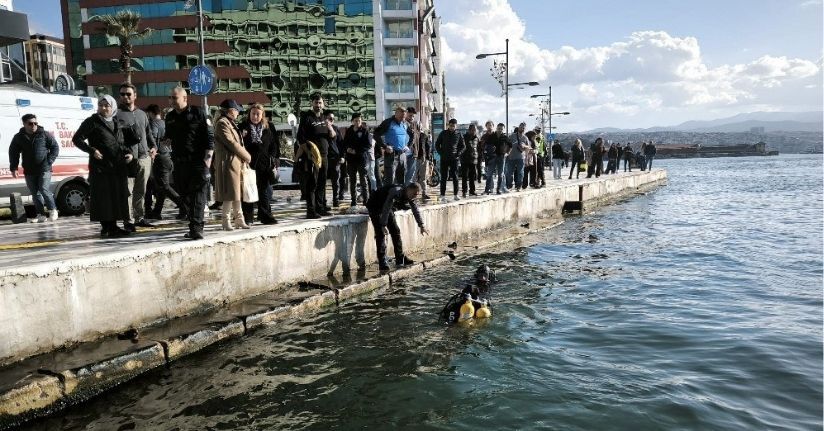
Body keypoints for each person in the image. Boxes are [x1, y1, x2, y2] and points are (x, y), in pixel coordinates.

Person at [73, 95, 133, 238]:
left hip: (116, 166)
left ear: (113, 107)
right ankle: (107, 227)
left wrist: (129, 153)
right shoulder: (92, 122)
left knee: (115, 197)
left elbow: (121, 143)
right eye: (101, 105)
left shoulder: (116, 122)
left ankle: (112, 227)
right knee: (103, 198)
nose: (104, 108)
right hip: (100, 167)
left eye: (107, 105)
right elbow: (77, 139)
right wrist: (92, 150)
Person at [164, 86, 214, 240]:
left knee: (198, 195)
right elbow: (168, 137)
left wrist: (208, 160)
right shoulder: (170, 117)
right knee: (184, 195)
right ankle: (194, 223)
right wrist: (165, 142)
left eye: (175, 98)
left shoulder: (198, 113)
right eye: (170, 98)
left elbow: (209, 137)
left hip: (198, 162)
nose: (171, 100)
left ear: (185, 98)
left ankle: (196, 228)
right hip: (179, 163)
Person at [116, 82, 156, 231]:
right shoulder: (117, 115)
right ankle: (128, 221)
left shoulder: (142, 114)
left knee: (141, 190)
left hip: (144, 157)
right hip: (128, 159)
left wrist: (153, 147)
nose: (125, 97)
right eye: (122, 94)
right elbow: (116, 139)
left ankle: (139, 218)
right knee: (128, 191)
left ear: (135, 96)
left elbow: (149, 133)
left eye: (128, 94)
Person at [365, 182, 428, 270]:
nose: (415, 196)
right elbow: (386, 207)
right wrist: (383, 225)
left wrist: (421, 225)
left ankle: (400, 258)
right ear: (408, 189)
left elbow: (415, 209)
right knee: (380, 234)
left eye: (417, 195)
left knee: (395, 231)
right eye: (414, 194)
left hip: (386, 206)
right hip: (375, 206)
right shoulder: (396, 191)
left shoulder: (410, 195)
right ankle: (382, 261)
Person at [9, 113, 60, 223]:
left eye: (35, 123)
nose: (33, 125)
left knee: (43, 189)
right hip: (29, 170)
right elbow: (13, 152)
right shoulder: (19, 137)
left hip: (44, 168)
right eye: (30, 123)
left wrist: (49, 161)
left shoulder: (44, 134)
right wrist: (14, 167)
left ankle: (53, 210)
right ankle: (41, 214)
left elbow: (55, 147)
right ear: (24, 124)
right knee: (35, 193)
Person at [213, 99, 252, 231]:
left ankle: (239, 220)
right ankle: (226, 221)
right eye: (236, 111)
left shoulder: (230, 123)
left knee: (236, 193)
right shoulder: (222, 124)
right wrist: (247, 156)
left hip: (234, 163)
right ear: (230, 111)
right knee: (229, 194)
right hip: (228, 163)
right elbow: (232, 143)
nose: (237, 114)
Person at [297, 93, 336, 218]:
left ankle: (320, 207)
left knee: (322, 183)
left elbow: (333, 136)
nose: (318, 105)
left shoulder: (325, 118)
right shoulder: (307, 117)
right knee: (312, 184)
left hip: (324, 156)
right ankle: (311, 210)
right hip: (312, 156)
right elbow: (300, 138)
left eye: (320, 103)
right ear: (312, 103)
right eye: (316, 102)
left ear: (323, 104)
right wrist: (308, 153)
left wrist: (330, 128)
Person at [239, 103, 279, 225]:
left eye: (258, 114)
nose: (255, 116)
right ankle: (248, 218)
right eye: (253, 114)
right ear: (249, 114)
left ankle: (265, 215)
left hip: (265, 164)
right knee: (248, 191)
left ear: (262, 115)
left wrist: (273, 158)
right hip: (249, 163)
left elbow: (274, 145)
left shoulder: (269, 127)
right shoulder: (243, 127)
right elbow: (239, 145)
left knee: (264, 191)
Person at [145, 104, 184, 220]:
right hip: (168, 157)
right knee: (160, 187)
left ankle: (185, 206)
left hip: (159, 158)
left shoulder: (153, 124)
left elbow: (153, 139)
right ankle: (157, 211)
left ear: (151, 113)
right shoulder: (164, 123)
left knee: (164, 186)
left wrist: (152, 149)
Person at [373, 106, 409, 185]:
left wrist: (407, 145)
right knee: (390, 180)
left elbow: (411, 135)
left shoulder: (405, 124)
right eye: (400, 116)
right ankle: (388, 196)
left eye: (403, 116)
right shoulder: (388, 122)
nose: (402, 118)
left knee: (401, 180)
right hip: (391, 155)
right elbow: (376, 134)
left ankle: (399, 197)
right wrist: (385, 146)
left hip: (402, 155)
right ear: (396, 114)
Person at [342, 113, 371, 207]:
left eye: (359, 120)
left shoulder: (365, 131)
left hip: (362, 159)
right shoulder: (349, 130)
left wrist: (356, 151)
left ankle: (366, 200)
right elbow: (345, 142)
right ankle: (353, 200)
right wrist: (347, 149)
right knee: (352, 180)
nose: (357, 122)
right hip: (351, 160)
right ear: (352, 121)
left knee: (363, 180)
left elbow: (368, 145)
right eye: (355, 120)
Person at [435, 118, 465, 202]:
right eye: (450, 125)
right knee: (443, 177)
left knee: (455, 177)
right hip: (444, 158)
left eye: (453, 126)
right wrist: (441, 153)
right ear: (448, 125)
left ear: (456, 126)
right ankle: (442, 195)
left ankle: (455, 194)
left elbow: (463, 146)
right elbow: (437, 144)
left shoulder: (459, 134)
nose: (452, 127)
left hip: (454, 159)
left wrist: (458, 154)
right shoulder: (443, 133)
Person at [325, 112, 345, 207]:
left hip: (335, 158)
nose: (331, 120)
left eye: (332, 119)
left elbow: (341, 144)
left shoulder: (336, 129)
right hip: (323, 158)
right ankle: (322, 202)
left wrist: (342, 156)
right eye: (329, 118)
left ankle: (335, 200)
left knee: (335, 181)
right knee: (321, 182)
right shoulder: (321, 128)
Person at [485, 122, 509, 194]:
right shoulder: (492, 136)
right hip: (492, 157)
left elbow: (510, 146)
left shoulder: (505, 137)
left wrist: (507, 153)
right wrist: (490, 150)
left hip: (501, 157)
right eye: (499, 128)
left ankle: (498, 190)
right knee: (489, 174)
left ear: (503, 129)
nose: (500, 130)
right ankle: (487, 190)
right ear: (496, 128)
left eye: (501, 129)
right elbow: (487, 145)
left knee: (500, 174)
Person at [506, 123, 529, 191]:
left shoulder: (525, 138)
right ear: (518, 127)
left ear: (525, 129)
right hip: (511, 157)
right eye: (521, 127)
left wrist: (524, 146)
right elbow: (507, 144)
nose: (522, 129)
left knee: (520, 172)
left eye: (523, 128)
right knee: (509, 173)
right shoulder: (512, 136)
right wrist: (506, 153)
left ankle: (519, 186)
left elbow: (528, 147)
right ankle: (509, 185)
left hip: (521, 158)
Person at [460, 123, 479, 197]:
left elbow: (477, 148)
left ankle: (472, 191)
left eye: (475, 130)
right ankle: (464, 191)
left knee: (472, 176)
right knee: (465, 176)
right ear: (469, 130)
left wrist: (478, 157)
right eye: (472, 130)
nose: (474, 131)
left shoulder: (476, 138)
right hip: (465, 159)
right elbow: (461, 147)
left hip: (473, 159)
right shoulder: (464, 137)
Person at [414, 128, 432, 200]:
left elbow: (428, 147)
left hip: (423, 159)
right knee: (413, 177)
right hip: (414, 158)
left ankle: (424, 193)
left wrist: (428, 158)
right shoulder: (413, 135)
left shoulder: (424, 136)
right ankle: (413, 194)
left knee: (423, 177)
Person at [404, 107, 420, 186]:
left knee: (410, 176)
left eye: (413, 116)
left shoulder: (415, 124)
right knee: (401, 175)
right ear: (406, 114)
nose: (412, 118)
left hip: (413, 153)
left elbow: (417, 139)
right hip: (402, 153)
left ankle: (407, 194)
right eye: (410, 116)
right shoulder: (402, 123)